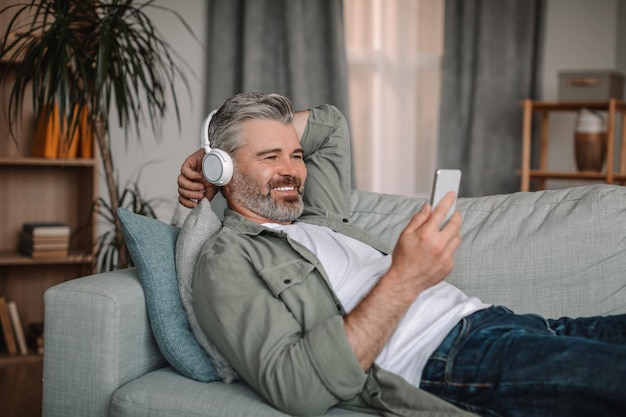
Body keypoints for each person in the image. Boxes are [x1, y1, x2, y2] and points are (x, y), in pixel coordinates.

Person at [177, 92, 626, 417]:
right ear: (228, 169)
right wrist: (405, 277)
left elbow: (330, 126)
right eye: (271, 156)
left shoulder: (319, 217)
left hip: (505, 322)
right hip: (447, 359)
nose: (293, 169)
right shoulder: (227, 258)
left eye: (295, 154)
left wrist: (209, 154)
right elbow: (297, 388)